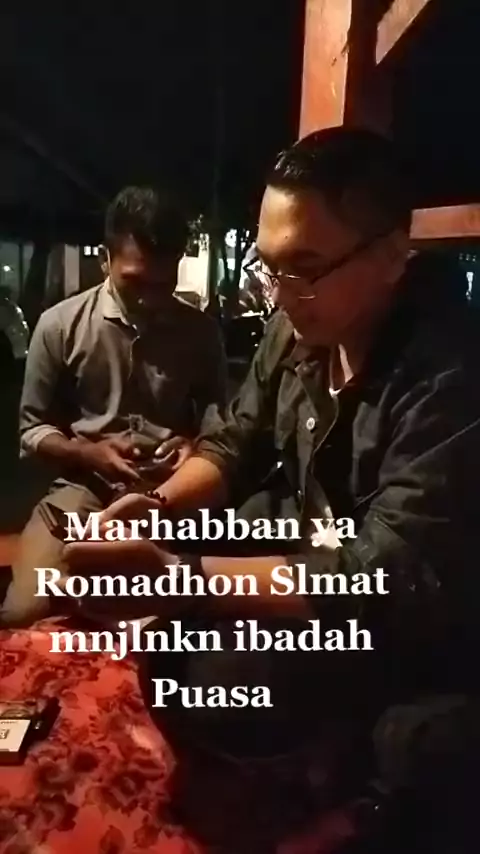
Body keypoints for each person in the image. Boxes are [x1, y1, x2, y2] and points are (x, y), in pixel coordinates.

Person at [64, 131, 480, 849]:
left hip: (408, 607)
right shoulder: (298, 326)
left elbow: (380, 573)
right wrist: (158, 509)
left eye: (306, 270)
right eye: (271, 267)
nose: (282, 296)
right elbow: (236, 441)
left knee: (254, 700)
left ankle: (363, 791)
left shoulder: (450, 373)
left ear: (390, 255)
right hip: (315, 548)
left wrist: (180, 576)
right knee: (179, 662)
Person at [2, 186, 227, 627]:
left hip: (171, 496)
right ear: (105, 259)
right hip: (82, 492)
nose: (150, 299)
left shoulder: (202, 332)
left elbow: (222, 426)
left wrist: (194, 446)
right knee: (24, 612)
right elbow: (32, 431)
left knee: (169, 622)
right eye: (135, 282)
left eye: (163, 285)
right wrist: (88, 453)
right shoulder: (59, 326)